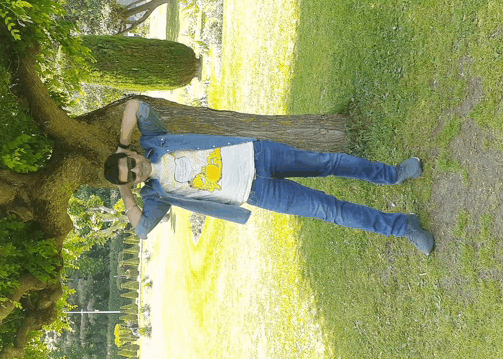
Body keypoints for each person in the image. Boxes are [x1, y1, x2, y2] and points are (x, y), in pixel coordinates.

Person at [103, 98, 434, 255]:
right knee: (328, 210)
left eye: (129, 163)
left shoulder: (153, 140)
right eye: (129, 175)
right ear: (131, 181)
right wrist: (125, 192)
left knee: (329, 163)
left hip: (259, 154)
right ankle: (404, 226)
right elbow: (142, 230)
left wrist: (120, 143)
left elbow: (135, 106)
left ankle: (392, 174)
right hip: (258, 193)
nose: (135, 169)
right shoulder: (156, 195)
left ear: (132, 154)